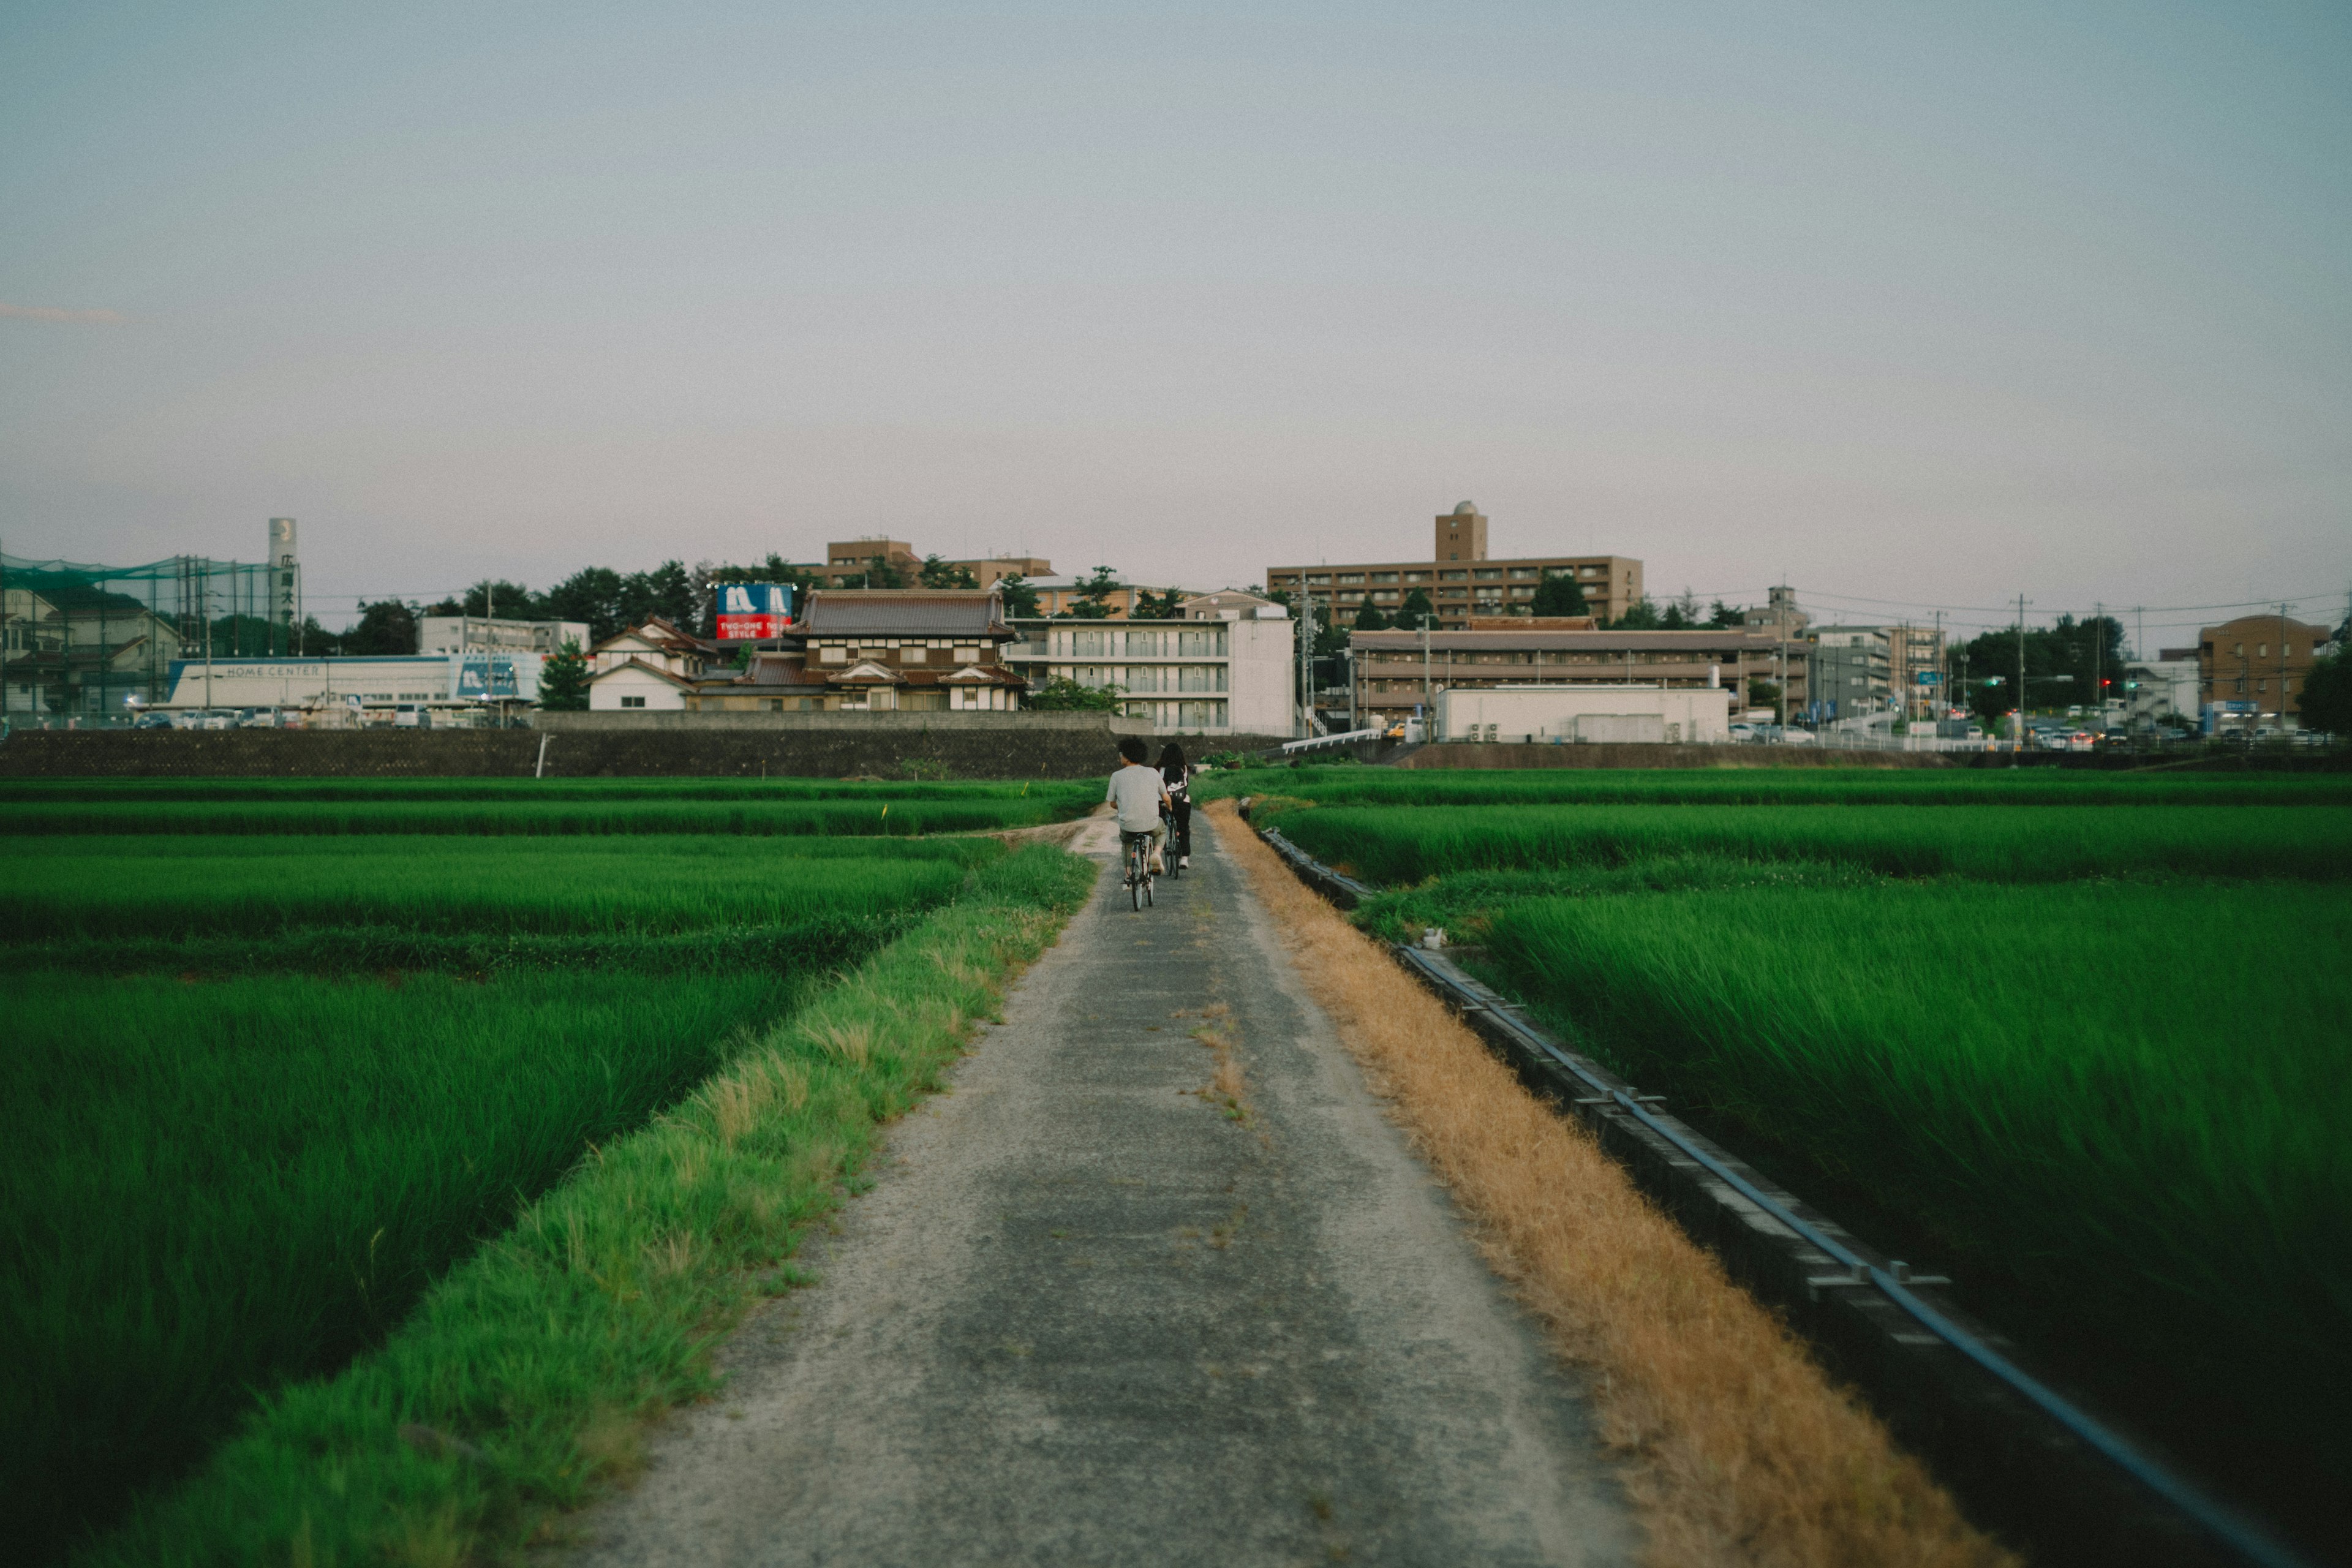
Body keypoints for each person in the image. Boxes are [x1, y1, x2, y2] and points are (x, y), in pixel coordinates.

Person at [1106, 736, 1171, 874]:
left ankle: (1129, 876)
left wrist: (1123, 805)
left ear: (1127, 757)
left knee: (1127, 843)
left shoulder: (1116, 776)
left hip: (1128, 825)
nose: (1120, 757)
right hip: (1151, 824)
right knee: (1162, 829)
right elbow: (1166, 797)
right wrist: (1169, 808)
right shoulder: (1153, 772)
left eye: (1121, 754)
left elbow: (1112, 804)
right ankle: (1157, 854)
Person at [1158, 742, 1194, 870]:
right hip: (1183, 802)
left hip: (1163, 802)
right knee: (1184, 828)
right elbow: (1186, 786)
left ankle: (1158, 851)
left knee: (1160, 828)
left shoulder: (1161, 769)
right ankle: (1184, 859)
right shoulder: (1184, 768)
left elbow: (1159, 787)